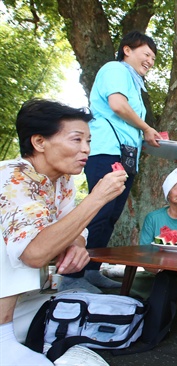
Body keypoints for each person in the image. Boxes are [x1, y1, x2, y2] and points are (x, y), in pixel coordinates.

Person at [0, 99, 128, 365]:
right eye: (76, 140)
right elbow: (34, 254)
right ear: (39, 142)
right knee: (21, 240)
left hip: (28, 297)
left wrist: (78, 245)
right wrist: (97, 198)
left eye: (89, 142)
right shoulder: (13, 177)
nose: (86, 150)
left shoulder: (63, 180)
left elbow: (73, 227)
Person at [61, 31, 162, 292]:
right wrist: (147, 128)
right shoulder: (116, 69)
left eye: (153, 57)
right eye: (146, 53)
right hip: (107, 151)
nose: (150, 60)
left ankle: (91, 270)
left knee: (110, 216)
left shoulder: (136, 84)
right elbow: (117, 105)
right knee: (98, 212)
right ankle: (72, 278)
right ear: (127, 50)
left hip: (125, 157)